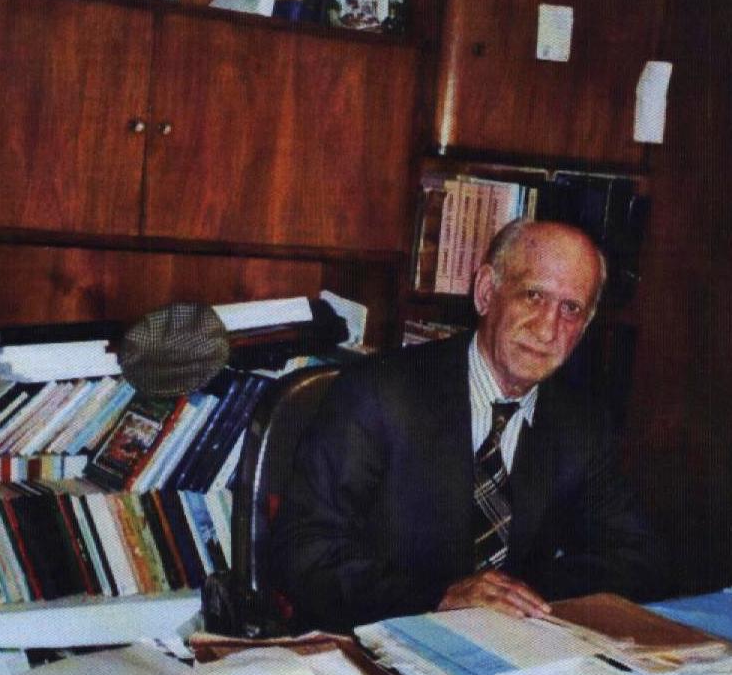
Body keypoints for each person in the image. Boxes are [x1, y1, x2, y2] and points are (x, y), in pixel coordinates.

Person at [273, 220, 663, 633]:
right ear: (486, 292)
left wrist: (518, 597)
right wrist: (438, 598)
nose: (547, 329)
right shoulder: (378, 394)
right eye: (533, 296)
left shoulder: (580, 423)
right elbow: (302, 555)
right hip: (376, 640)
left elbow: (634, 557)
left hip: (511, 649)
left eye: (571, 309)